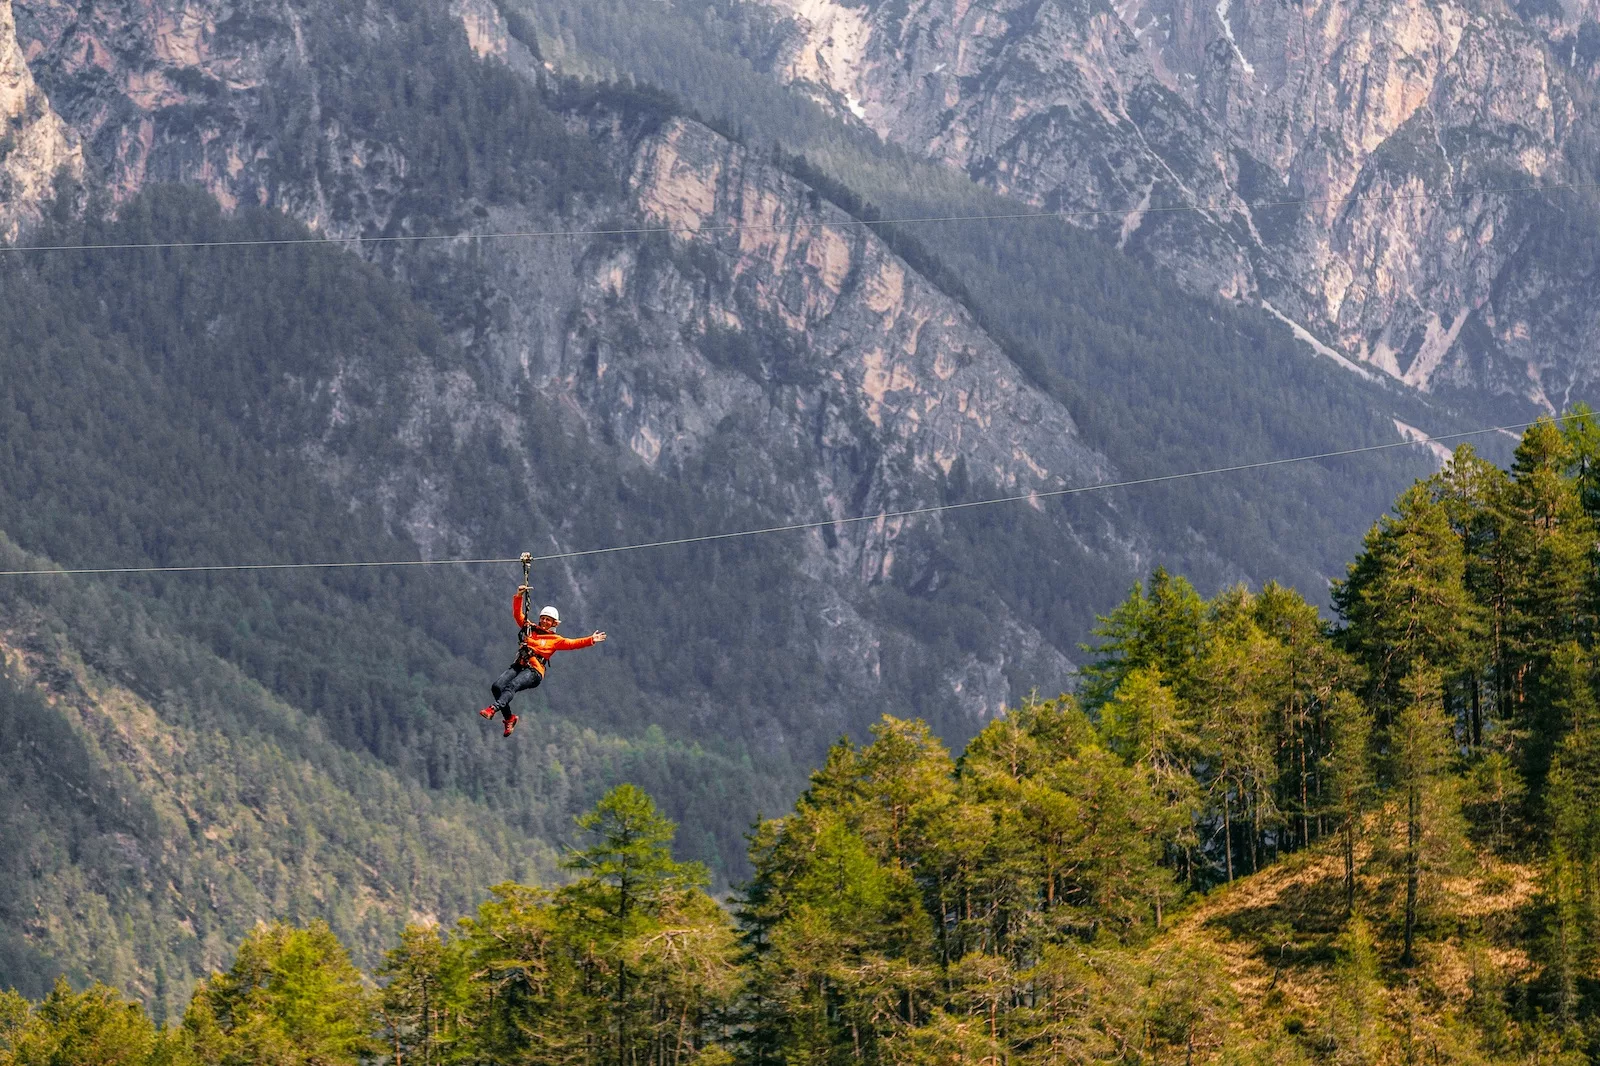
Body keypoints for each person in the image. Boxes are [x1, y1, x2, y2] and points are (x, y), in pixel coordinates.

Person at [480, 584, 607, 737]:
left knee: (512, 685)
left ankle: (493, 709)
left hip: (534, 671)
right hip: (520, 664)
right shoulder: (530, 629)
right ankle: (509, 718)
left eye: (548, 620)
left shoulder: (555, 640)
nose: (545, 622)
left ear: (554, 623)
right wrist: (519, 596)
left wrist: (591, 639)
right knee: (497, 687)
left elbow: (573, 644)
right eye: (543, 619)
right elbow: (517, 615)